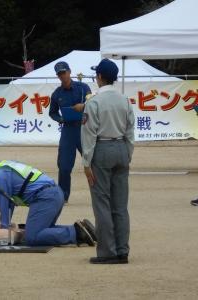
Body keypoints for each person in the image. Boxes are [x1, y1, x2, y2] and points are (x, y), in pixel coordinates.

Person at [0, 160, 96, 247]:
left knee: (32, 237)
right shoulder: (2, 169)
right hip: (53, 194)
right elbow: (10, 203)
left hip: (44, 197)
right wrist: (6, 224)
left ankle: (77, 233)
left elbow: (4, 202)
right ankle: (80, 228)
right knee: (43, 231)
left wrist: (4, 227)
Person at [81, 58, 135, 264]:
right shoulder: (124, 100)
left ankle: (107, 252)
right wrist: (127, 152)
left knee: (102, 202)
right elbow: (130, 131)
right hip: (121, 147)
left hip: (101, 149)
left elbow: (88, 134)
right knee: (120, 204)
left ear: (100, 77)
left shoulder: (93, 102)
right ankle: (123, 250)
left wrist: (86, 163)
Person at [49, 61, 91, 204]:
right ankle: (63, 196)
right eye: (59, 74)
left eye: (64, 72)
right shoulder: (56, 94)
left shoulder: (83, 88)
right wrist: (60, 119)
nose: (62, 76)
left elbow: (95, 104)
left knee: (93, 162)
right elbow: (52, 113)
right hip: (68, 130)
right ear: (57, 76)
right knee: (64, 166)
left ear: (69, 71)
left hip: (84, 128)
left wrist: (84, 105)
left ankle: (100, 193)